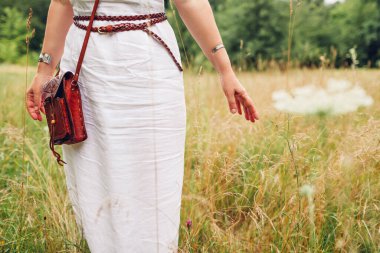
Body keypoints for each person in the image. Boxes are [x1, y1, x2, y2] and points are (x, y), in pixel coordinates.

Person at [25, 0, 259, 252]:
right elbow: (62, 1)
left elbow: (190, 2)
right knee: (94, 175)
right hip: (86, 69)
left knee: (153, 179)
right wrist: (44, 70)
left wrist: (225, 69)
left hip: (146, 64)